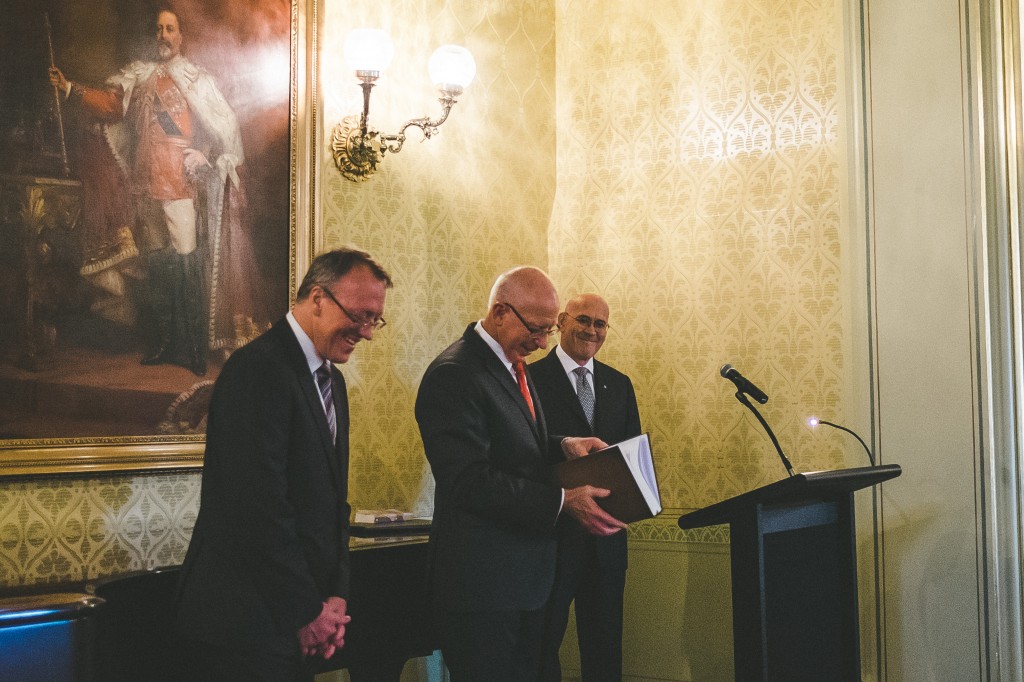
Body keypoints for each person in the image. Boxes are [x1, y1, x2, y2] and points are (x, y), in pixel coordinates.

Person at [175, 247, 392, 681]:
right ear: (317, 298)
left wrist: (336, 597)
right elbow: (258, 509)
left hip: (293, 618)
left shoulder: (332, 380)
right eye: (360, 316)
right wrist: (305, 612)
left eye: (375, 320)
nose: (366, 333)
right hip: (245, 624)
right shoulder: (258, 369)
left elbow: (333, 505)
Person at [415, 266, 628, 681]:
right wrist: (563, 501)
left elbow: (513, 443)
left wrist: (563, 443)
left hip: (527, 581)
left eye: (549, 330)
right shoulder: (455, 373)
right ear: (499, 313)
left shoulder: (513, 364)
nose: (544, 341)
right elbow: (469, 481)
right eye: (537, 328)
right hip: (484, 589)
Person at [48, 8, 253, 375]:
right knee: (158, 266)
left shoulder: (195, 79)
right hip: (146, 183)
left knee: (186, 264)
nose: (163, 35)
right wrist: (69, 88)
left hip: (180, 181)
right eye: (158, 29)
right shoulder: (139, 75)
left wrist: (202, 154)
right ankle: (163, 344)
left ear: (180, 36)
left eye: (170, 29)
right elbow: (110, 105)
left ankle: (190, 347)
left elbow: (221, 125)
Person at [530, 294, 642, 682]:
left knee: (606, 651)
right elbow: (524, 454)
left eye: (600, 324)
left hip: (607, 540)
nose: (591, 330)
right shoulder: (528, 380)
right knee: (542, 649)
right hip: (551, 538)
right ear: (561, 321)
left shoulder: (620, 384)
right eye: (583, 319)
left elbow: (631, 456)